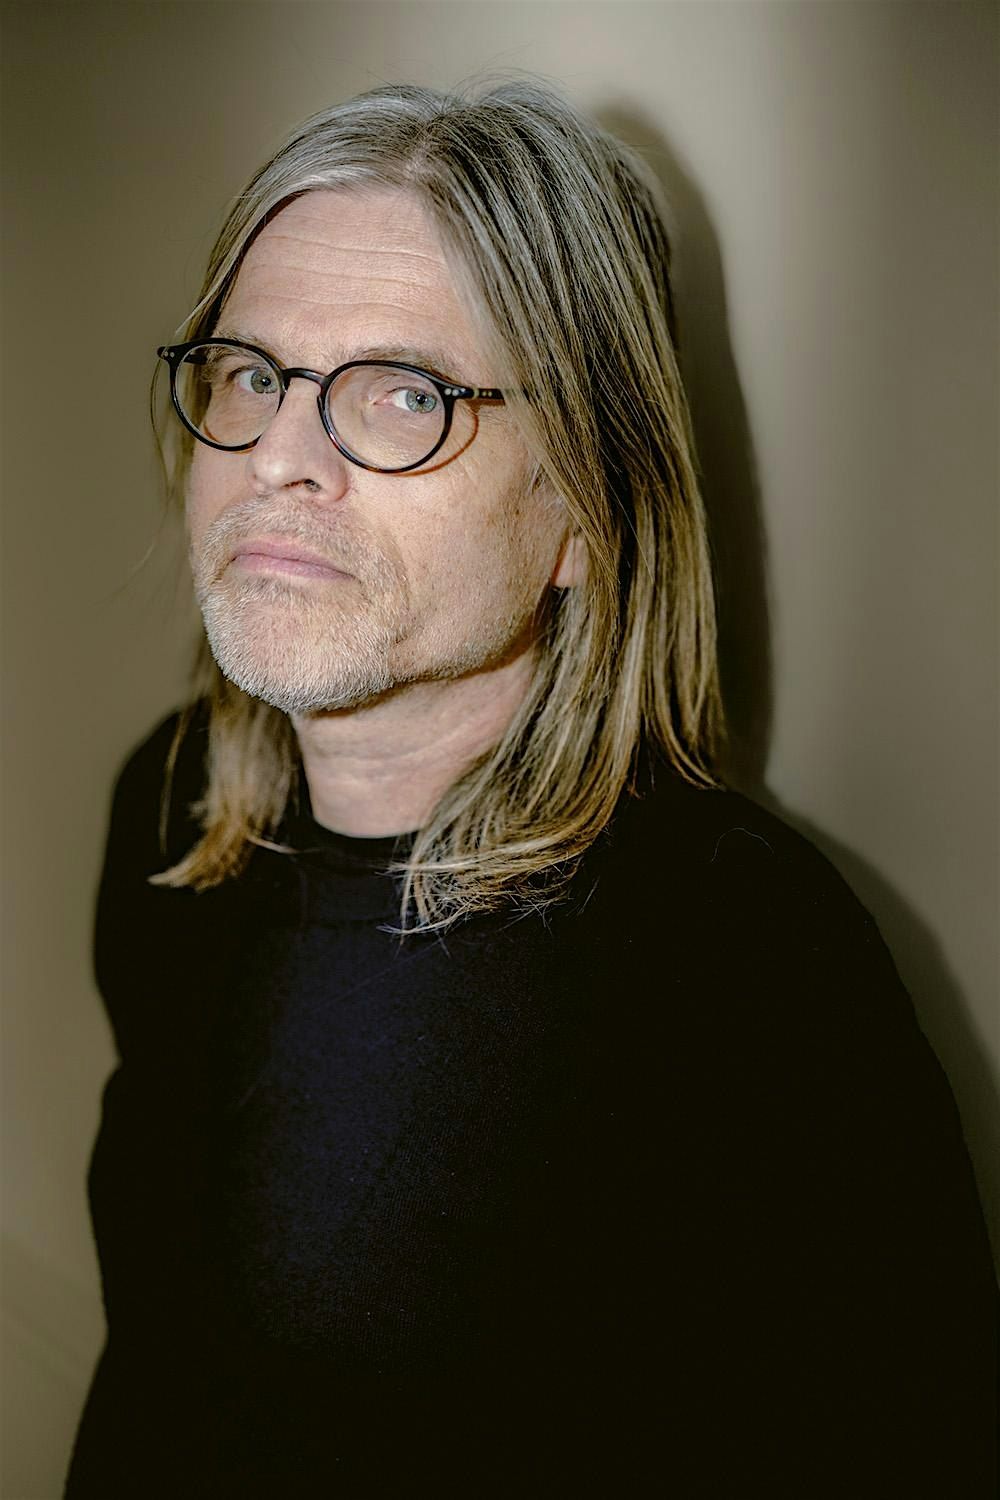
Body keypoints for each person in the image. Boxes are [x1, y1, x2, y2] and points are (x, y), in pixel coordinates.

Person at [66, 80, 995, 1498]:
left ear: (579, 511)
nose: (280, 462)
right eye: (250, 375)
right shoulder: (175, 806)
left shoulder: (746, 971)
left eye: (405, 394)